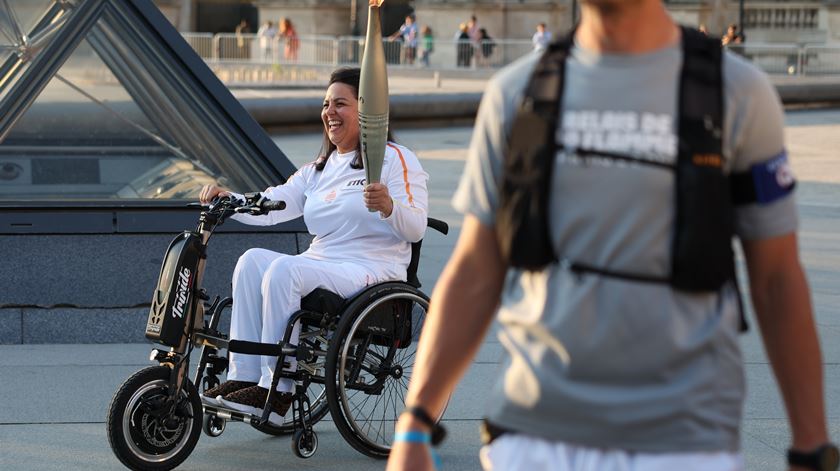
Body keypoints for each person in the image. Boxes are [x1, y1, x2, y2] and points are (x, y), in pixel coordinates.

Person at [387, 0, 835, 470]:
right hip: (532, 440)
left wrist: (811, 447)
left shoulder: (737, 92)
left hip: (684, 444)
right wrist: (415, 423)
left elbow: (778, 281)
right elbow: (476, 269)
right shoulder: (516, 92)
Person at [198, 67, 429, 422]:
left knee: (283, 269)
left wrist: (389, 206)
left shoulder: (396, 159)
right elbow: (272, 204)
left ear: (367, 110)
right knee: (250, 261)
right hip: (323, 262)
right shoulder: (318, 169)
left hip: (371, 268)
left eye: (340, 103)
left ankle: (277, 392)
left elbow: (415, 227)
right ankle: (242, 376)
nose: (329, 112)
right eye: (325, 104)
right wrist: (229, 200)